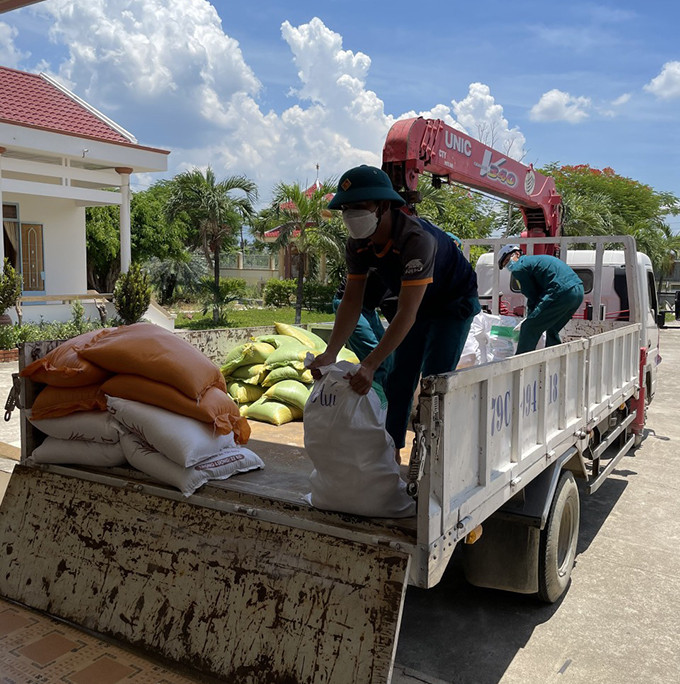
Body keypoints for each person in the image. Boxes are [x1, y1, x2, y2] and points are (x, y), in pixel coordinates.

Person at [309, 165, 481, 458]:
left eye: (359, 207)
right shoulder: (358, 244)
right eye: (346, 209)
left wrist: (370, 364)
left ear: (383, 206)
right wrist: (331, 352)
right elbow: (352, 301)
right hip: (415, 304)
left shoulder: (416, 240)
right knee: (400, 379)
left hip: (452, 303)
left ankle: (432, 457)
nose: (351, 215)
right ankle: (391, 451)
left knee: (434, 384)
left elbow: (407, 312)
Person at [497, 244, 584, 354]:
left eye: (507, 260)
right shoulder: (533, 261)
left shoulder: (519, 267)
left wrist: (530, 318)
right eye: (505, 264)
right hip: (577, 291)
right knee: (552, 328)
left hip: (561, 292)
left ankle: (521, 365)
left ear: (517, 254)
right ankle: (554, 361)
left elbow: (532, 295)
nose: (508, 265)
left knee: (528, 328)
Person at [332, 267, 396, 389]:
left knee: (388, 358)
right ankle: (377, 402)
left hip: (368, 308)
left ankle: (385, 399)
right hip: (348, 304)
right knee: (376, 360)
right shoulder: (390, 262)